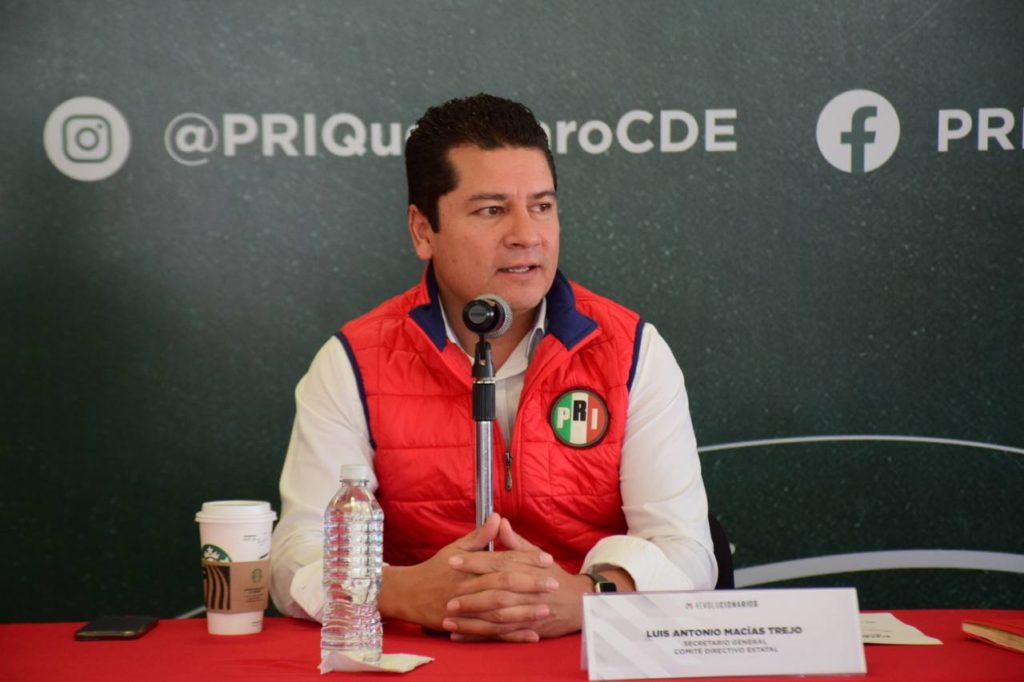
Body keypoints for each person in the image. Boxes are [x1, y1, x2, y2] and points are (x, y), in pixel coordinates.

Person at [270, 93, 717, 643]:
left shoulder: (631, 351)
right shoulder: (353, 361)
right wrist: (402, 591)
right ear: (423, 230)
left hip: (583, 655)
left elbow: (687, 550)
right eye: (491, 210)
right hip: (423, 658)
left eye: (542, 206)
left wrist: (590, 595)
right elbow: (295, 556)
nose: (527, 235)